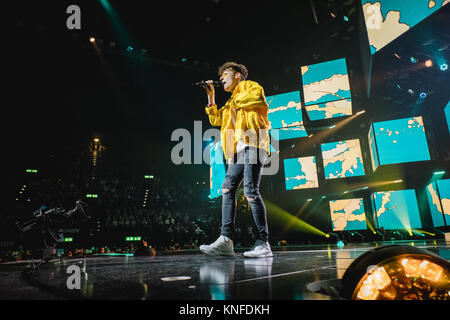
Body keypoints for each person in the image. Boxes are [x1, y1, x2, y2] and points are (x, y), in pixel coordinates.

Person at [199, 61, 272, 258]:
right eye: (220, 76)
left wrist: (233, 102)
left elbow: (257, 98)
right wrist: (211, 96)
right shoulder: (232, 102)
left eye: (225, 74)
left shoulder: (250, 87)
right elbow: (216, 119)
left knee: (250, 190)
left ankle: (263, 242)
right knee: (227, 188)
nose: (221, 78)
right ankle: (226, 240)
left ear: (238, 75)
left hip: (255, 143)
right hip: (238, 150)